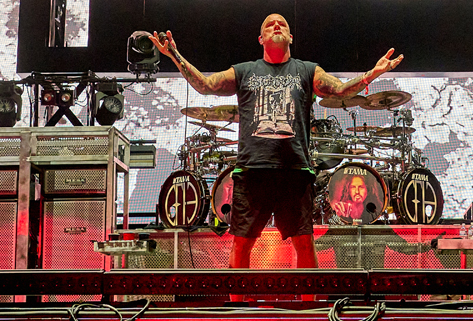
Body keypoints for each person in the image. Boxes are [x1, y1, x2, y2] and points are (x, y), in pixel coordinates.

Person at [151, 14, 402, 268]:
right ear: (261, 39)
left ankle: (309, 296)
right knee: (241, 244)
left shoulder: (307, 70)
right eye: (269, 25)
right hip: (252, 171)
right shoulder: (244, 71)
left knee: (304, 244)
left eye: (282, 23)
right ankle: (238, 296)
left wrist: (371, 75)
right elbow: (206, 85)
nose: (276, 25)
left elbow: (339, 89)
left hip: (294, 172)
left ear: (290, 37)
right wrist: (174, 54)